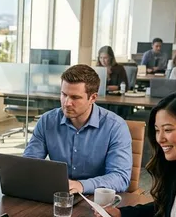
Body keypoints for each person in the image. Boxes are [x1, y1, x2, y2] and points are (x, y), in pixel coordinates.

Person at [23, 64, 132, 194]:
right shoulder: (47, 121)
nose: (67, 103)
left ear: (92, 98)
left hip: (97, 200)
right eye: (64, 94)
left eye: (75, 97)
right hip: (59, 196)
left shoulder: (115, 127)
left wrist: (81, 185)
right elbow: (29, 164)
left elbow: (120, 178)